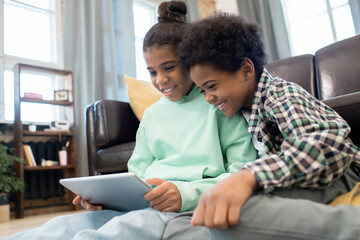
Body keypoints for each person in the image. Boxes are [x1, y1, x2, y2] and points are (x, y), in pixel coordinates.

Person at [5, 3, 256, 240]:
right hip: (142, 203)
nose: (160, 80)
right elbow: (137, 172)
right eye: (152, 72)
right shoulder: (152, 114)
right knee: (59, 226)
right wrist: (107, 197)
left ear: (192, 60)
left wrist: (185, 194)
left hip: (177, 208)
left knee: (110, 233)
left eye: (169, 67)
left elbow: (242, 173)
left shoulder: (220, 103)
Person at [163, 13, 360, 240]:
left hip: (339, 174)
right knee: (184, 221)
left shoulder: (280, 94)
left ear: (246, 70)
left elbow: (323, 147)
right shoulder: (239, 110)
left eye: (212, 86)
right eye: (203, 90)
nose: (208, 98)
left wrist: (248, 177)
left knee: (237, 216)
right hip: (286, 182)